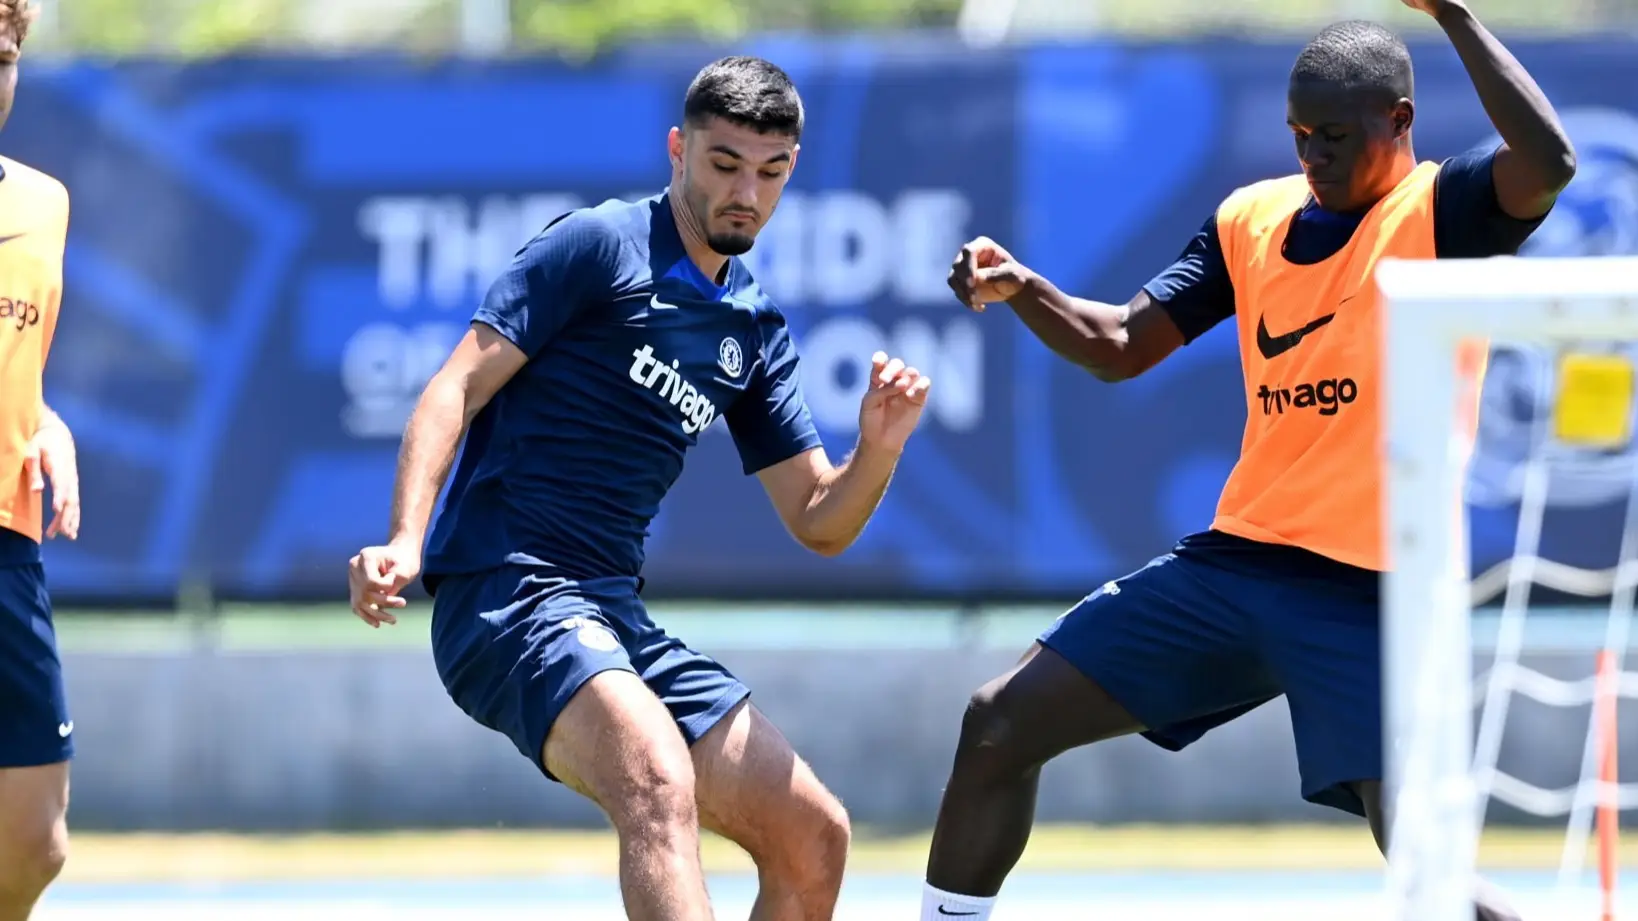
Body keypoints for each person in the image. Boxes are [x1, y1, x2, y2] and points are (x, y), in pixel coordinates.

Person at [924, 3, 1575, 921]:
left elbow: (1550, 163)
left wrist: (1454, 15)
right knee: (998, 721)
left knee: (1428, 874)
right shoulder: (1251, 220)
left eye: (1338, 136)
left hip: (1373, 595)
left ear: (1400, 120)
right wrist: (1024, 285)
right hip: (1238, 565)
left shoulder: (1443, 209)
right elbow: (1118, 344)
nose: (1315, 156)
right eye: (1300, 136)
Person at [348, 56, 933, 921]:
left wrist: (878, 451)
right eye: (724, 163)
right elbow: (454, 388)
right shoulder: (599, 245)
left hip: (611, 612)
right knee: (656, 778)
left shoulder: (755, 330)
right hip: (506, 595)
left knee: (814, 834)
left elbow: (818, 517)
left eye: (770, 173)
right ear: (677, 150)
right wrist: (405, 538)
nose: (747, 193)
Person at [0, 3, 84, 919]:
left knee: (35, 840)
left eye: (6, 56)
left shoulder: (43, 200)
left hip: (8, 537)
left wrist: (45, 418)